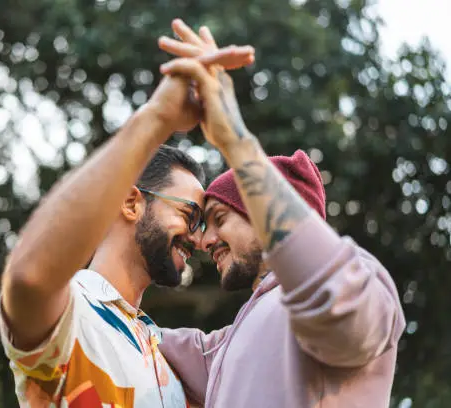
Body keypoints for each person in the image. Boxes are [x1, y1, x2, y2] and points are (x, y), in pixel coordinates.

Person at [156, 21, 407, 408]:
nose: (203, 241)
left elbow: (329, 290)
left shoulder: (357, 288)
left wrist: (234, 141)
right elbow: (167, 343)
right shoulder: (230, 344)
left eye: (220, 219)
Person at [0, 41, 255, 406]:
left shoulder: (169, 356)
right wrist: (157, 118)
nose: (200, 242)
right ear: (132, 202)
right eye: (189, 216)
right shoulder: (74, 313)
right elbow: (28, 279)